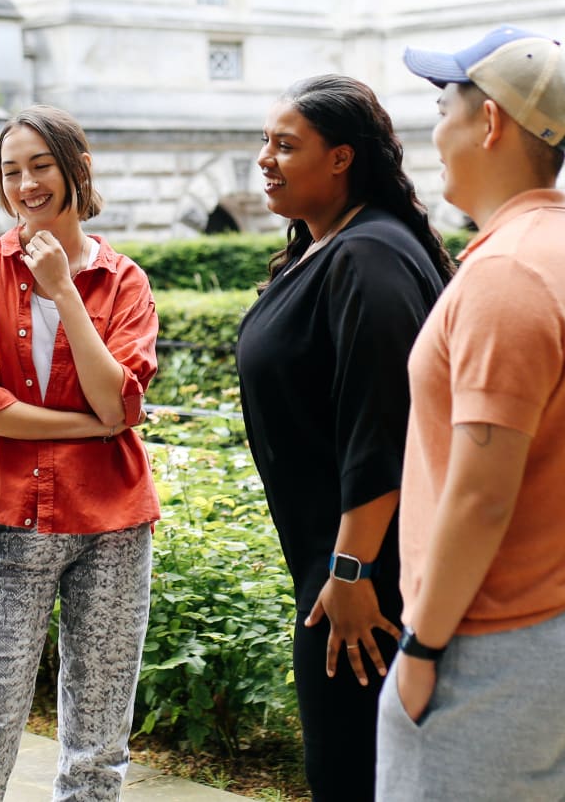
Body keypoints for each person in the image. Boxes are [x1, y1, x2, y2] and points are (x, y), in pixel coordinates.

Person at [378, 27, 565, 802]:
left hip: (489, 652)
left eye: (443, 103)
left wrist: (421, 647)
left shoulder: (510, 272)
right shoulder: (554, 244)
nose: (433, 128)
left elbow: (483, 496)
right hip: (548, 629)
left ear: (490, 125)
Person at [0, 106, 161, 802]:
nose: (25, 184)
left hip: (114, 524)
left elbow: (118, 399)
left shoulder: (124, 283)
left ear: (75, 169)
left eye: (39, 166)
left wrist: (63, 288)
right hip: (9, 520)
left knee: (98, 740)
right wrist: (97, 424)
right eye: (10, 170)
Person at [235, 75, 452, 800]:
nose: (265, 157)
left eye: (286, 144)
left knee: (355, 776)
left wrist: (352, 570)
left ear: (342, 158)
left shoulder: (369, 257)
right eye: (265, 140)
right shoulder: (325, 246)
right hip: (333, 573)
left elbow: (383, 422)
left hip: (364, 589)